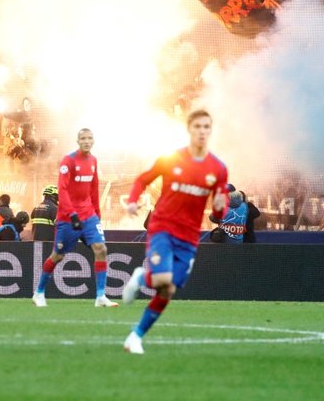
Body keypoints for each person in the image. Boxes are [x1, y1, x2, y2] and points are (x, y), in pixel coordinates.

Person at [120, 111, 228, 353]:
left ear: (210, 130)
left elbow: (219, 214)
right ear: (189, 129)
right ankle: (141, 278)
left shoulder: (218, 169)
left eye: (206, 127)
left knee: (167, 290)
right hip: (163, 226)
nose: (202, 131)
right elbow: (142, 179)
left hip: (189, 236)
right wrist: (132, 200)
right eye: (197, 126)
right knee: (162, 279)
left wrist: (221, 210)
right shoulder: (172, 159)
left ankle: (135, 337)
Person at [32, 128, 117, 308]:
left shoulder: (93, 161)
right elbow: (62, 189)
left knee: (101, 249)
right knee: (58, 256)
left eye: (90, 138)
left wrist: (97, 215)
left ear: (93, 141)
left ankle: (100, 296)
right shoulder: (68, 161)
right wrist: (71, 214)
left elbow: (94, 189)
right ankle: (39, 292)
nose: (87, 141)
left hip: (88, 216)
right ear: (77, 141)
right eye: (83, 138)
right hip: (67, 217)